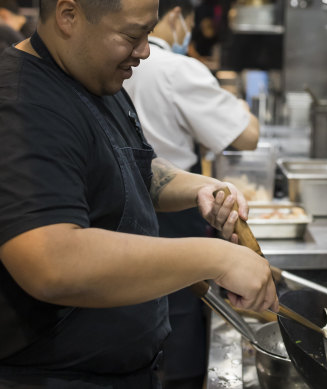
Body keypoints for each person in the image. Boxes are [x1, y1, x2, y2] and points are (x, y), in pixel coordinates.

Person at [0, 0, 278, 388]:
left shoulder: (95, 78)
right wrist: (216, 257)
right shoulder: (21, 105)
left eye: (148, 32)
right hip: (55, 376)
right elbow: (51, 262)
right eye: (132, 35)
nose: (146, 50)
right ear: (68, 16)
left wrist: (200, 186)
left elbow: (130, 166)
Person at [123, 1, 260, 388]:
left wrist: (205, 186)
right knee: (178, 310)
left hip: (148, 205)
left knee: (148, 307)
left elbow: (141, 163)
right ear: (175, 16)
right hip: (170, 219)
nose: (142, 51)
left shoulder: (110, 72)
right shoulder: (176, 69)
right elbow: (247, 136)